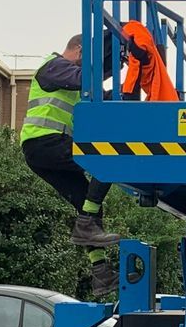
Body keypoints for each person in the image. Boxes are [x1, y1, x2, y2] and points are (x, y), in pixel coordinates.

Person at [20, 35, 118, 295]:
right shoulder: (53, 66)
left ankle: (101, 275)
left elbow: (98, 92)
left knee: (88, 204)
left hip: (46, 151)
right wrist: (109, 57)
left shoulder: (71, 78)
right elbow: (83, 78)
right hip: (44, 143)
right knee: (107, 157)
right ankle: (86, 225)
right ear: (80, 50)